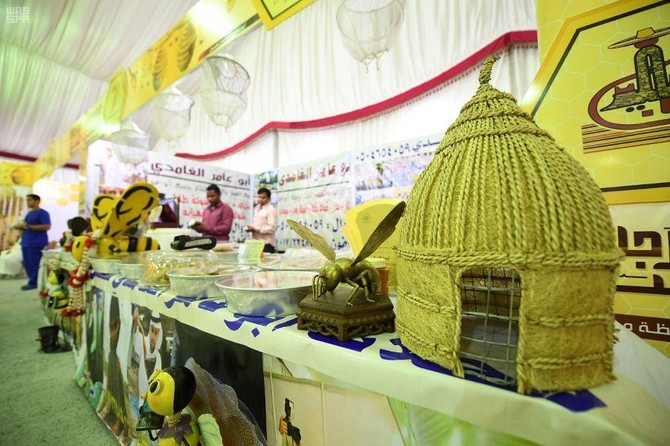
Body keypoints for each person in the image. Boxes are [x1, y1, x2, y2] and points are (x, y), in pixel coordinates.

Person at [12, 194, 51, 290]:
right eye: (27, 200)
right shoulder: (29, 214)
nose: (28, 202)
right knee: (27, 263)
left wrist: (29, 226)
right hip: (26, 242)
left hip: (36, 243)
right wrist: (19, 226)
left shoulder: (43, 213)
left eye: (30, 200)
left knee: (35, 263)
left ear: (37, 201)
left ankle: (35, 282)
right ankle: (31, 281)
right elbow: (25, 225)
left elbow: (47, 226)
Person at [245, 187, 277, 253]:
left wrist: (257, 230)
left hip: (266, 244)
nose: (260, 199)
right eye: (259, 197)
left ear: (269, 198)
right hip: (255, 243)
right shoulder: (257, 207)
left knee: (265, 263)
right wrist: (250, 228)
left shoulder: (271, 210)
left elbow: (271, 228)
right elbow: (257, 223)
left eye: (263, 197)